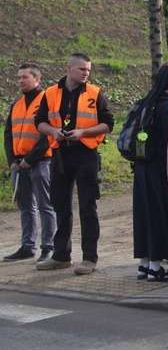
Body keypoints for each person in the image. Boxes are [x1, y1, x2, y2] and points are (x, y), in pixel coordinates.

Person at [35, 53, 114, 275]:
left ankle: (89, 258)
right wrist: (53, 131)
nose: (86, 73)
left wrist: (83, 132)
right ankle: (61, 255)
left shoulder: (95, 93)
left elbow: (108, 124)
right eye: (82, 69)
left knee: (88, 205)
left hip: (86, 153)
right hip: (60, 153)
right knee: (60, 204)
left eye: (88, 70)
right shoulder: (50, 93)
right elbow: (39, 122)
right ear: (69, 68)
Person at [132, 62, 168, 282]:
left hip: (142, 167)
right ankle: (156, 266)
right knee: (162, 215)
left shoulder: (146, 103)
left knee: (144, 214)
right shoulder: (167, 107)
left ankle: (144, 264)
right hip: (160, 169)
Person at [3, 63, 55, 263]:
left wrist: (30, 159)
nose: (20, 81)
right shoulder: (16, 103)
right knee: (26, 207)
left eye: (25, 77)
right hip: (19, 164)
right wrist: (13, 162)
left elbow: (47, 135)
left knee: (46, 206)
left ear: (37, 79)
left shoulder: (47, 100)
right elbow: (9, 133)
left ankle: (48, 247)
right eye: (18, 78)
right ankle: (27, 246)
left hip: (41, 162)